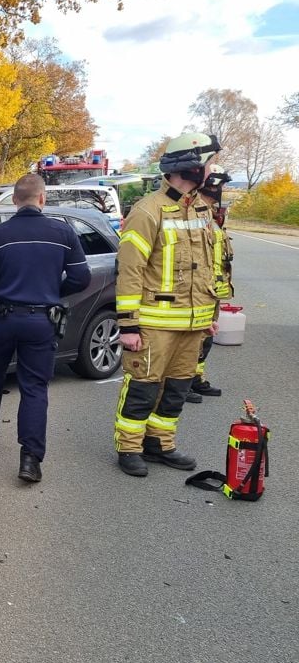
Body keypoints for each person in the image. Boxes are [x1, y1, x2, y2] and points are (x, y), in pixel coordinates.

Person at [0, 173, 91, 482]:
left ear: (14, 201)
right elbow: (82, 278)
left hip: (1, 320)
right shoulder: (63, 233)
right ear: (43, 199)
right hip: (41, 322)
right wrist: (52, 292)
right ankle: (30, 460)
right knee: (34, 389)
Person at [113, 133, 221, 477]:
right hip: (155, 323)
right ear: (189, 164)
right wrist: (128, 325)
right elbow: (130, 270)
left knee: (177, 389)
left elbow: (209, 264)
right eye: (206, 163)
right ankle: (129, 447)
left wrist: (210, 314)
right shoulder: (148, 211)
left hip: (193, 323)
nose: (210, 170)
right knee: (143, 387)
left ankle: (160, 443)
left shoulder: (203, 208)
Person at [186, 164, 233, 403]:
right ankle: (182, 383)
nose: (222, 189)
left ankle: (195, 379)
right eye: (221, 185)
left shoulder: (211, 213)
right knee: (194, 341)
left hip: (211, 290)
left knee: (206, 340)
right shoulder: (195, 212)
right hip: (200, 289)